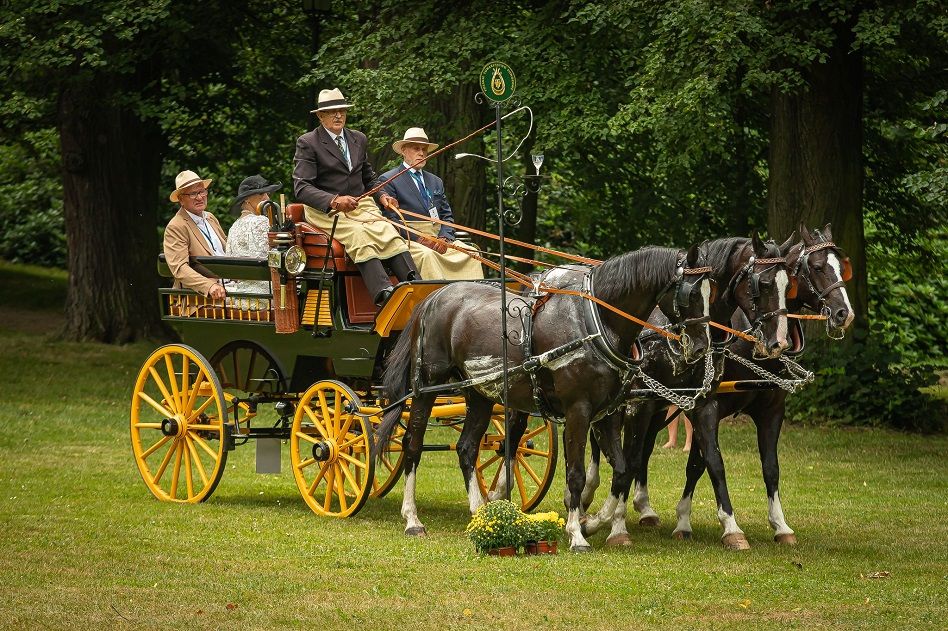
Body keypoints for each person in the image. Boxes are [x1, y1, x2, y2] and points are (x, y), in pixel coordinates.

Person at [292, 88, 419, 306]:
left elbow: (369, 178)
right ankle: (384, 294)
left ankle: (415, 285)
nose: (338, 115)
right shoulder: (308, 142)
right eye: (332, 112)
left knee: (388, 229)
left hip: (361, 205)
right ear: (320, 116)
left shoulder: (358, 139)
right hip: (327, 211)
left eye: (341, 110)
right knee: (359, 234)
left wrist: (382, 196)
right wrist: (334, 201)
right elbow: (301, 188)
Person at [379, 127, 484, 280]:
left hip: (439, 238)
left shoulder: (435, 181)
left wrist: (445, 238)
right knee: (428, 255)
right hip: (410, 241)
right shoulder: (389, 179)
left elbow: (446, 215)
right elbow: (390, 220)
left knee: (471, 253)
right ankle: (436, 301)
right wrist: (420, 238)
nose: (421, 153)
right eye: (416, 149)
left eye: (424, 149)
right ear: (403, 150)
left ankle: (471, 300)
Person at [163, 170, 228, 300]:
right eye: (193, 194)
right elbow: (179, 268)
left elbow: (227, 250)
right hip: (201, 298)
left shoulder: (210, 217)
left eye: (202, 191)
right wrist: (209, 286)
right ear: (181, 199)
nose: (199, 197)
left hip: (229, 285)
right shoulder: (176, 226)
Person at [226, 175, 281, 310]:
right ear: (246, 199)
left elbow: (229, 260)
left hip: (241, 298)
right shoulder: (261, 221)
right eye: (261, 194)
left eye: (267, 193)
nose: (267, 198)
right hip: (266, 298)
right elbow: (272, 259)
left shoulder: (233, 227)